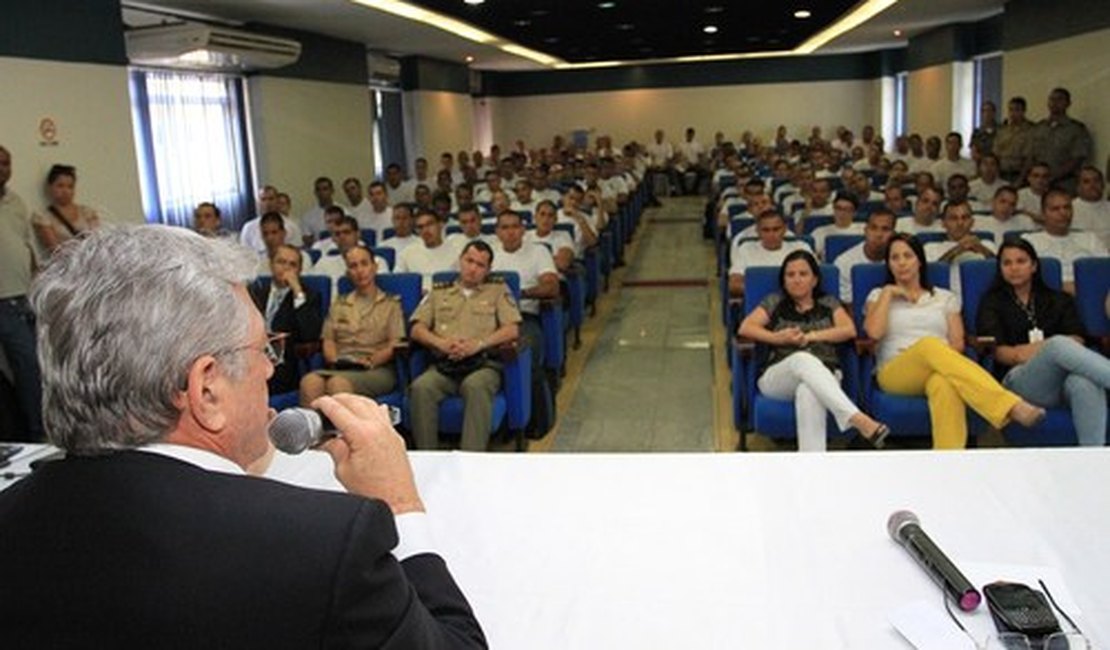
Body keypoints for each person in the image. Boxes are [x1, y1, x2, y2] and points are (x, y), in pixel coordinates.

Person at [1, 225, 486, 648]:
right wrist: (399, 503)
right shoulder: (326, 545)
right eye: (262, 351)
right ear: (206, 388)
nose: (270, 374)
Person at [863, 233, 1045, 449]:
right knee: (929, 345)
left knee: (944, 383)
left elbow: (957, 344)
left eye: (907, 256)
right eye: (894, 258)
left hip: (939, 367)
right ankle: (1009, 405)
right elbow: (873, 333)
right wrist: (888, 292)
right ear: (888, 264)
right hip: (895, 371)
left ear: (919, 261)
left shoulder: (944, 298)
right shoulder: (878, 295)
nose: (901, 263)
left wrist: (927, 354)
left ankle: (950, 462)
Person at [738, 251, 889, 452]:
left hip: (825, 374)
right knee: (802, 358)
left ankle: (813, 465)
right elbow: (746, 327)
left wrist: (811, 337)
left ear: (815, 279)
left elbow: (849, 330)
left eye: (803, 274)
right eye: (790, 275)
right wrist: (777, 338)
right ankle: (856, 418)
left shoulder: (829, 302)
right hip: (778, 378)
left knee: (808, 391)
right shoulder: (775, 301)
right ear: (783, 280)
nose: (796, 280)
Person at [976, 239, 1109, 446]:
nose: (1014, 268)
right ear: (1000, 268)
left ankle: (1094, 459)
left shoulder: (1059, 299)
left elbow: (1077, 339)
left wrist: (1027, 350)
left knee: (1084, 383)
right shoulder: (992, 302)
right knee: (1057, 345)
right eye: (1007, 263)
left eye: (1021, 261)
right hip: (1019, 382)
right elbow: (1004, 354)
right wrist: (1051, 350)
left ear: (1034, 266)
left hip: (1062, 380)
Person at [409, 241, 521, 451]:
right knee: (421, 388)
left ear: (487, 270)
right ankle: (427, 457)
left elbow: (512, 330)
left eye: (480, 265)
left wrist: (479, 344)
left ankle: (471, 459)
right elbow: (416, 329)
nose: (472, 269)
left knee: (475, 386)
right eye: (469, 261)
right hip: (445, 365)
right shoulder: (439, 292)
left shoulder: (498, 290)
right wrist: (440, 343)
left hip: (484, 364)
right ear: (460, 260)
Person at [301, 246, 404, 404]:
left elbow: (395, 344)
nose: (360, 270)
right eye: (353, 266)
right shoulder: (339, 304)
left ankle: (344, 429)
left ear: (374, 267)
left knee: (337, 383)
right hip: (342, 366)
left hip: (376, 369)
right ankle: (317, 429)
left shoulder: (391, 304)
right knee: (309, 382)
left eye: (364, 264)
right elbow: (328, 340)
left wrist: (371, 361)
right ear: (348, 272)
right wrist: (334, 359)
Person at [0, 145, 43, 441]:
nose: (2, 168)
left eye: (6, 163)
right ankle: (38, 433)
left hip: (26, 294)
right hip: (3, 300)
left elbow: (25, 245)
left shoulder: (16, 202)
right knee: (27, 366)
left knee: (40, 363)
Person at [248, 244, 323, 394]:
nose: (286, 268)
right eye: (281, 262)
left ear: (299, 270)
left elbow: (310, 335)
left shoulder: (309, 296)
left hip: (282, 361)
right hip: (252, 354)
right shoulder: (256, 290)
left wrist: (297, 292)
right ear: (271, 264)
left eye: (292, 265)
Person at [1021, 189, 1106, 294]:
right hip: (1046, 297)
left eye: (1067, 207)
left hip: (1091, 294)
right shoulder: (1029, 241)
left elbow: (1106, 271)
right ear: (1043, 214)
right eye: (1055, 209)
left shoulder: (1090, 239)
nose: (1063, 213)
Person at [728, 209, 812, 298]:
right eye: (766, 230)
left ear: (785, 229)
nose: (771, 234)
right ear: (757, 231)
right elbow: (734, 284)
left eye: (776, 229)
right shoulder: (746, 249)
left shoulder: (801, 248)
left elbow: (817, 277)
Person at [32, 164, 100, 255]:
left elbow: (97, 241)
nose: (65, 191)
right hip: (66, 264)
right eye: (60, 186)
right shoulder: (42, 217)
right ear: (50, 187)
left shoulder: (87, 212)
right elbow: (55, 249)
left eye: (70, 186)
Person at [833, 208, 895, 303]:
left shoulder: (901, 261)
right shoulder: (844, 262)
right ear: (865, 231)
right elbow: (847, 305)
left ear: (893, 234)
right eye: (873, 228)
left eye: (885, 229)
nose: (878, 234)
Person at [398, 209, 460, 292]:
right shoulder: (407, 253)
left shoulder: (457, 252)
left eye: (430, 224)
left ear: (440, 225)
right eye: (420, 227)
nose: (425, 231)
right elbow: (398, 283)